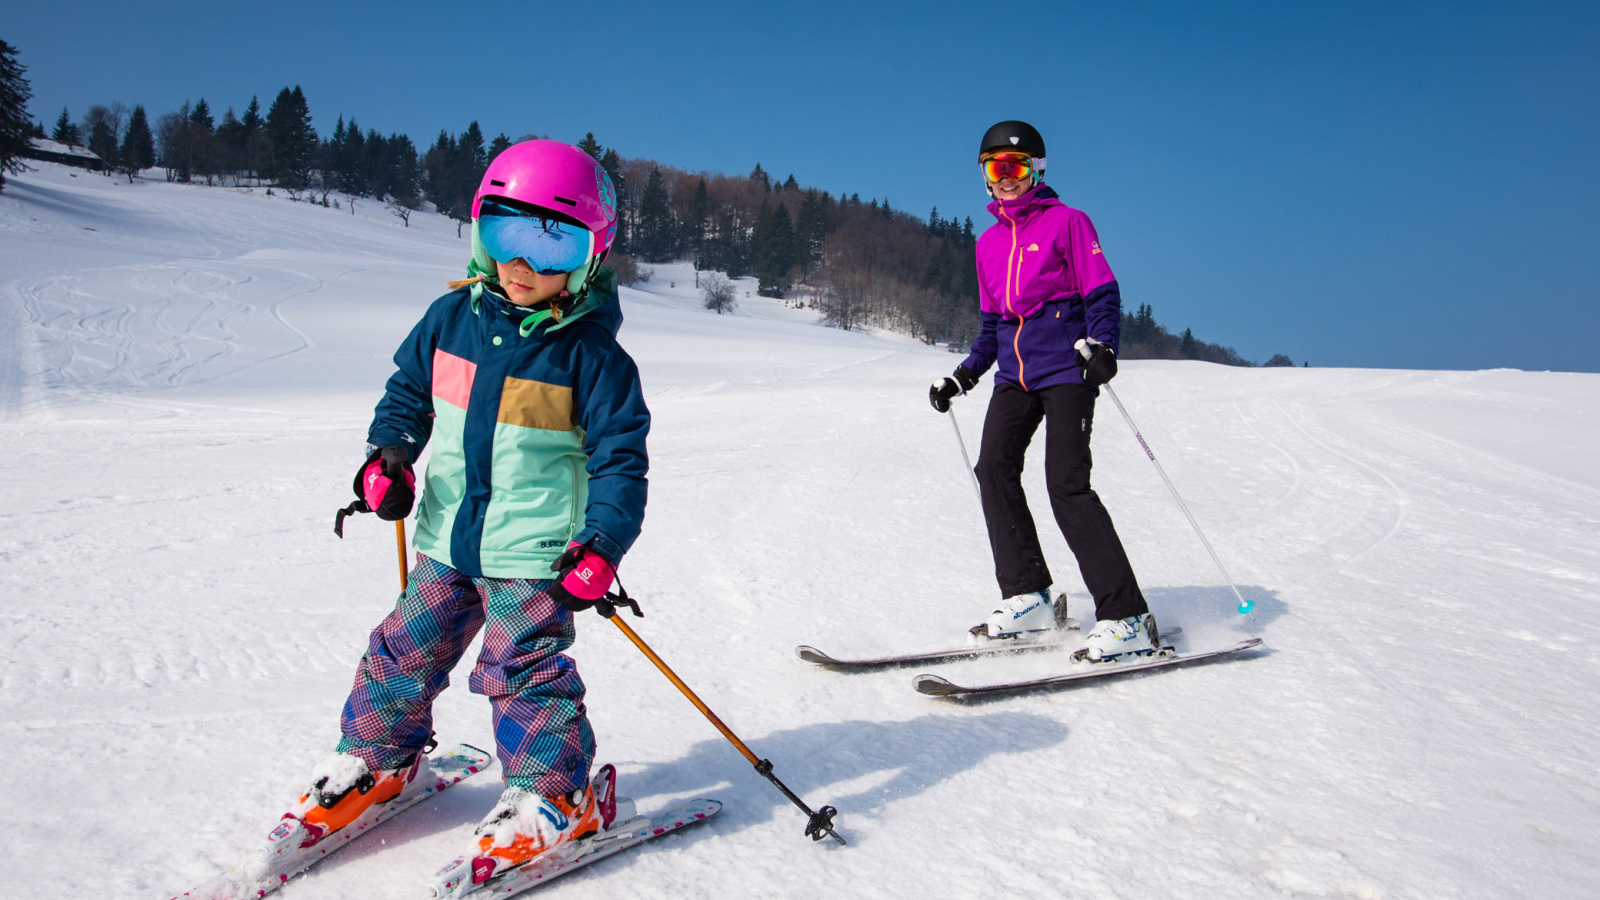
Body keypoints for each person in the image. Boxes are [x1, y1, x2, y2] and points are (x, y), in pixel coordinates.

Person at [282, 140, 649, 876]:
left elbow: (620, 463)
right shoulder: (450, 318)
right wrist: (388, 457)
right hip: (447, 536)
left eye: (552, 246)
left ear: (589, 257)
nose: (523, 266)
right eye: (506, 235)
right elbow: (407, 397)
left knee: (523, 672)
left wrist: (600, 544)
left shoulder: (593, 360)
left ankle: (554, 793)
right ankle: (378, 760)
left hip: (536, 554)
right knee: (400, 653)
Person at [929, 120, 1156, 662]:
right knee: (993, 468)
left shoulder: (1069, 223)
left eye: (1017, 167)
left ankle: (1127, 617)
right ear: (984, 175)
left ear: (1037, 170)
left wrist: (1103, 348)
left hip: (1067, 371)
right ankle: (1027, 596)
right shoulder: (986, 246)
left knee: (1066, 486)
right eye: (996, 168)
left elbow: (1102, 293)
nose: (1007, 178)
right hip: (1015, 376)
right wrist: (963, 375)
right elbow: (991, 330)